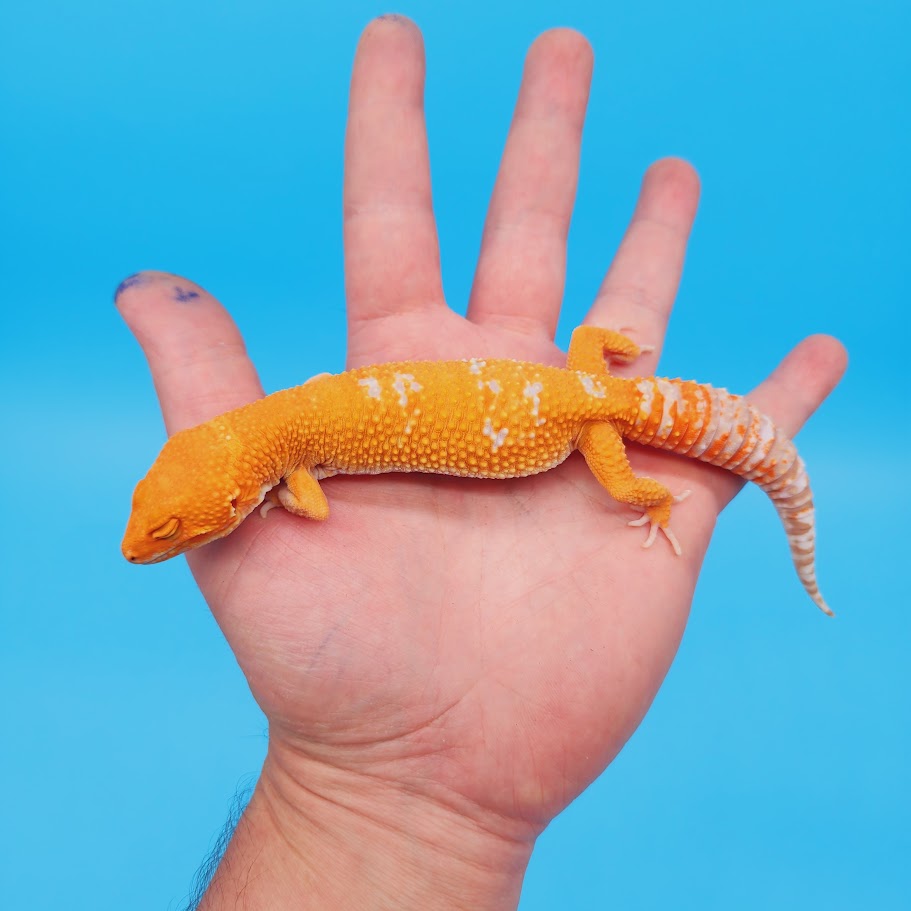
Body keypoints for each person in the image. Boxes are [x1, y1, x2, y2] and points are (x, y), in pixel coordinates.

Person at [116, 15, 846, 910]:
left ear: (232, 485)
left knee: (630, 483)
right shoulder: (286, 428)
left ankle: (666, 504)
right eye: (166, 520)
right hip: (581, 382)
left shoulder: (289, 463)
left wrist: (640, 495)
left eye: (175, 524)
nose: (152, 541)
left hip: (583, 425)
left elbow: (305, 507)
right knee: (617, 393)